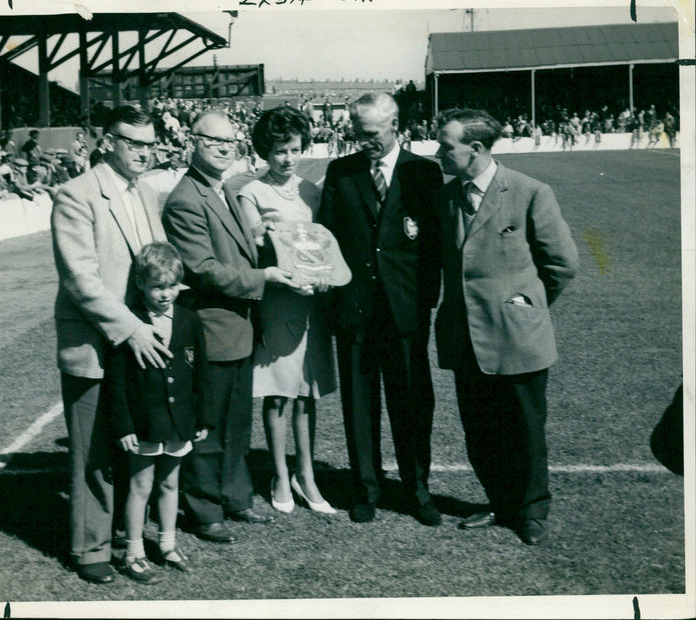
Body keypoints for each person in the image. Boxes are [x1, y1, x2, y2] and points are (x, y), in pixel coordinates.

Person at [433, 108, 578, 545]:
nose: (438, 153)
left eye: (446, 145)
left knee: (525, 429)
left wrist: (527, 304)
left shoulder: (530, 192)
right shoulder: (445, 198)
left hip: (517, 336)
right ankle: (498, 502)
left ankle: (531, 511)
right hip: (466, 337)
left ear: (475, 149)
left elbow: (563, 264)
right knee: (480, 430)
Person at [162, 110, 301, 544]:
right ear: (193, 141)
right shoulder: (186, 198)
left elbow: (238, 250)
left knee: (237, 422)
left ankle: (236, 498)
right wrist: (265, 277)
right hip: (212, 328)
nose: (224, 148)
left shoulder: (224, 189)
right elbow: (203, 270)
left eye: (230, 142)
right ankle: (205, 510)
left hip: (238, 326)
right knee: (209, 424)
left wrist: (263, 235)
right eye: (214, 141)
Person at [51, 105, 169, 584]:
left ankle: (124, 532)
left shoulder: (146, 192)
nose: (143, 152)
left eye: (150, 143)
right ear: (107, 141)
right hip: (98, 342)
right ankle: (90, 548)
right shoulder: (75, 194)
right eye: (133, 142)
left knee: (130, 444)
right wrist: (131, 328)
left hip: (139, 340)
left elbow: (161, 261)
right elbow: (81, 279)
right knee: (95, 451)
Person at [318, 93, 444, 525]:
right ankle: (365, 488)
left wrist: (423, 303)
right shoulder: (340, 172)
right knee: (360, 404)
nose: (362, 140)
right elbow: (327, 239)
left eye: (370, 133)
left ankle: (417, 488)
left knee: (411, 403)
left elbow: (434, 248)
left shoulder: (424, 173)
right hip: (354, 311)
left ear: (394, 126)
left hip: (406, 312)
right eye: (357, 132)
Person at [237, 107, 336, 515]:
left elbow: (326, 246)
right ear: (265, 150)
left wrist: (326, 275)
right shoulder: (250, 193)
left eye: (294, 149)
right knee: (277, 393)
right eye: (280, 150)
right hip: (278, 302)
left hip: (312, 303)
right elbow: (251, 249)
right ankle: (280, 474)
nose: (288, 158)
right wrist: (266, 241)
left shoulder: (313, 190)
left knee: (307, 394)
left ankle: (306, 474)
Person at [105, 242, 211, 583]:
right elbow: (117, 382)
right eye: (157, 287)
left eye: (172, 287)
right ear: (141, 284)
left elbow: (201, 372)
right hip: (144, 423)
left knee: (170, 483)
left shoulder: (189, 320)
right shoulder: (129, 322)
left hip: (179, 422)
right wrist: (124, 425)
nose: (166, 294)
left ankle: (167, 545)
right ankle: (133, 551)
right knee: (141, 485)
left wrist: (202, 417)